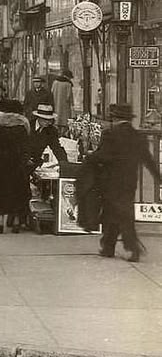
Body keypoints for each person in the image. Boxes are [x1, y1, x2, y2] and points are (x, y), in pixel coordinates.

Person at [83, 103, 160, 262]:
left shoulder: (109, 134)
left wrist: (89, 155)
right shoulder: (138, 136)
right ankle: (109, 246)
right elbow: (148, 160)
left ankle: (131, 247)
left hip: (110, 182)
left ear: (115, 118)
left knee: (115, 214)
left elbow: (103, 156)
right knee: (120, 212)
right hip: (129, 182)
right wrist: (159, 178)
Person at [0, 100, 31, 234]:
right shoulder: (21, 126)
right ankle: (17, 222)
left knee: (0, 192)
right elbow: (25, 147)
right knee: (17, 192)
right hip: (16, 164)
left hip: (0, 163)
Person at [28, 103, 68, 171]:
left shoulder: (51, 130)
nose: (48, 122)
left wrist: (65, 164)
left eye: (50, 120)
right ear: (39, 117)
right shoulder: (27, 126)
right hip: (21, 162)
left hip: (35, 164)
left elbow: (57, 148)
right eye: (45, 119)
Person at [51, 69, 74, 136]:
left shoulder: (55, 82)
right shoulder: (68, 84)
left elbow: (51, 93)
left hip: (55, 107)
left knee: (56, 123)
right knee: (64, 125)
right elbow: (69, 97)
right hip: (65, 108)